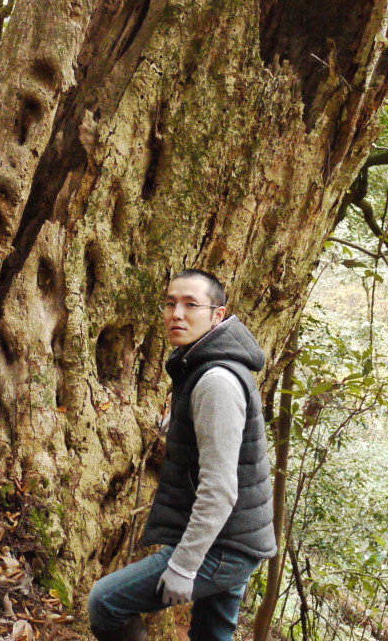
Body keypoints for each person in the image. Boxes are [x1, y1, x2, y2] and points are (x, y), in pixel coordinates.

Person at [87, 269, 277, 641]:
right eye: (170, 303)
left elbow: (220, 487)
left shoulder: (215, 381)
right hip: (236, 539)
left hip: (223, 546)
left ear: (217, 315)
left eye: (191, 304)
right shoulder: (206, 368)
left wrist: (184, 565)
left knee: (105, 602)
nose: (177, 313)